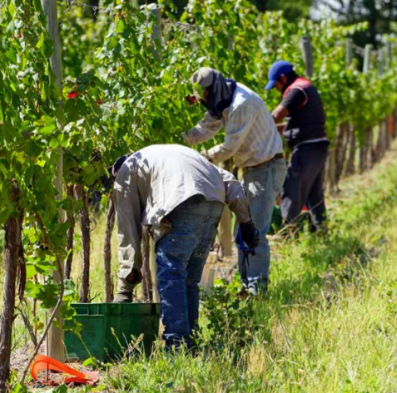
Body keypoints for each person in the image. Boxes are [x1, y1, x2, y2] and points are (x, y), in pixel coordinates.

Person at [111, 144, 259, 348]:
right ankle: (191, 339)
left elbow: (128, 231)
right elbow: (230, 181)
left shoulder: (127, 171)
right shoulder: (170, 154)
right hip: (214, 202)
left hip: (181, 201)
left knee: (171, 274)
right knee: (189, 280)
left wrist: (125, 287)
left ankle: (177, 343)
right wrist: (246, 222)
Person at [181, 67, 285, 296]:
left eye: (206, 95)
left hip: (265, 168)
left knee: (253, 228)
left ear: (214, 88)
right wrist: (182, 140)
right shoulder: (224, 99)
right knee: (244, 228)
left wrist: (198, 157)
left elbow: (229, 148)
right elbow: (206, 127)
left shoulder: (241, 104)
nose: (206, 100)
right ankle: (248, 285)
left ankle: (257, 288)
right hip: (252, 168)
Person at [266, 60, 328, 232]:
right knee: (314, 194)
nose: (277, 90)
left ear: (283, 78)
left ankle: (289, 232)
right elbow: (298, 122)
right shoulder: (305, 86)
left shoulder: (296, 90)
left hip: (307, 149)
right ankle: (321, 229)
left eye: (276, 85)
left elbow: (275, 116)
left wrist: (257, 128)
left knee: (292, 187)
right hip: (318, 147)